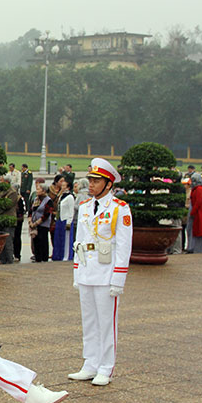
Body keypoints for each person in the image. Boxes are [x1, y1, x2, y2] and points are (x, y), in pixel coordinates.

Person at [70, 158, 133, 386]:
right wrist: (77, 273)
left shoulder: (119, 209)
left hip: (107, 273)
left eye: (96, 181)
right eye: (90, 180)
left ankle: (106, 367)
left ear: (108, 184)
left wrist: (119, 278)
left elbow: (124, 247)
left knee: (107, 322)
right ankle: (90, 363)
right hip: (87, 271)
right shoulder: (86, 207)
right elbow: (79, 243)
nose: (92, 184)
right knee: (89, 321)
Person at [29, 183, 53, 262]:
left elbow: (46, 214)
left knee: (43, 241)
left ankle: (44, 258)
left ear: (44, 191)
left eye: (39, 189)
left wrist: (36, 223)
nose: (37, 191)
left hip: (43, 224)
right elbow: (31, 210)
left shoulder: (48, 200)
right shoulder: (36, 199)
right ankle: (37, 257)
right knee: (35, 242)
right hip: (34, 224)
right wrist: (30, 222)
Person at [188, 173, 202, 253]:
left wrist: (192, 212)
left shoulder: (199, 189)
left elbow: (198, 202)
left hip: (199, 213)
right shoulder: (197, 188)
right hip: (197, 212)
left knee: (199, 231)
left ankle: (198, 249)